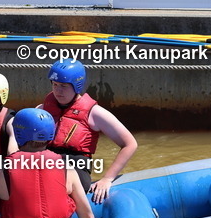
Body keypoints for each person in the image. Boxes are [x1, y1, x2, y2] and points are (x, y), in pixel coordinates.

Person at [39, 59, 137, 202]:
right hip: (49, 163)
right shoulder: (43, 108)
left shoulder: (94, 113)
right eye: (55, 85)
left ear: (77, 85)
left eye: (64, 86)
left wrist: (107, 178)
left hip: (76, 168)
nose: (58, 91)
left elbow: (130, 144)